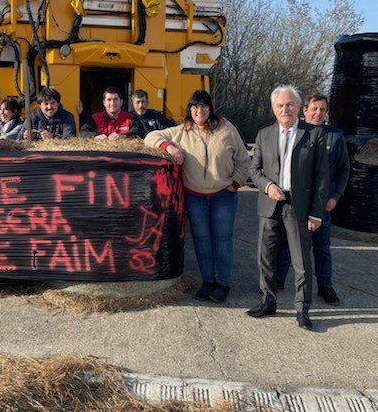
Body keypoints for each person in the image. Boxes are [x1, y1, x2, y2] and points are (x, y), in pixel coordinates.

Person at [145, 90, 250, 303]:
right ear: (189, 110)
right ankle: (208, 281)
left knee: (222, 239)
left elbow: (243, 160)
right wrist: (170, 147)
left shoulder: (227, 129)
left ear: (210, 109)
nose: (198, 111)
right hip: (195, 197)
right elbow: (150, 137)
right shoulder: (182, 131)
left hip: (223, 196)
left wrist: (236, 183)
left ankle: (223, 283)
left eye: (203, 106)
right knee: (201, 240)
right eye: (194, 107)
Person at [248, 85, 329, 331]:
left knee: (302, 262)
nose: (285, 109)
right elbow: (254, 170)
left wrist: (317, 212)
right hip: (270, 203)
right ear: (274, 109)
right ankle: (267, 301)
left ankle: (302, 311)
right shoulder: (264, 134)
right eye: (280, 105)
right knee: (266, 258)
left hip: (300, 206)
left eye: (290, 104)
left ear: (298, 107)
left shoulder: (314, 135)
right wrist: (267, 186)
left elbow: (322, 178)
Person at [276, 93, 349, 305]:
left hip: (322, 205)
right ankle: (279, 279)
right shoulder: (293, 133)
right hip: (294, 204)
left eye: (323, 110)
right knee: (287, 244)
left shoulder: (334, 137)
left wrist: (335, 197)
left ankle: (325, 286)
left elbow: (344, 169)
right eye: (314, 109)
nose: (318, 113)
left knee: (322, 248)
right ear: (304, 110)